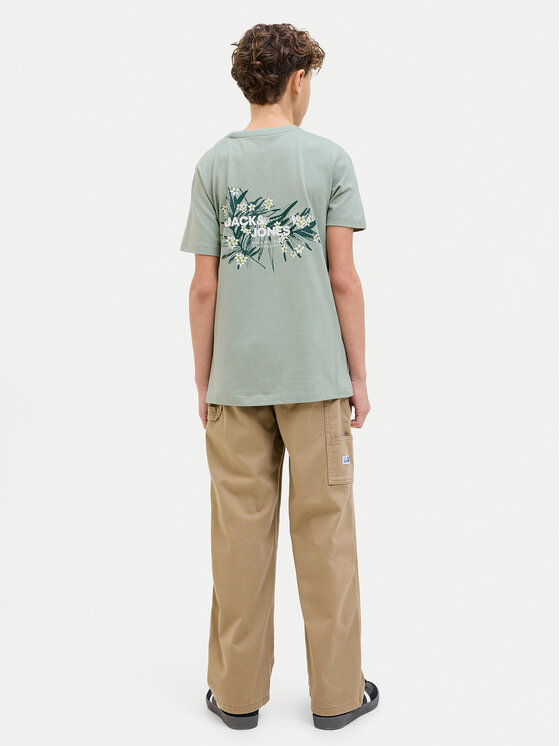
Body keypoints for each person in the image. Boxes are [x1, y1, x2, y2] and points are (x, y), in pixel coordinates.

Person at [179, 22, 379, 731]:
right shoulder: (329, 160)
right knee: (326, 538)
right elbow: (343, 278)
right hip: (316, 381)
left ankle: (236, 697)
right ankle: (337, 697)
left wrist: (203, 380)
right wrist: (359, 377)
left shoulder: (213, 166)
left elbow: (204, 288)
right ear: (298, 80)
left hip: (235, 384)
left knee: (238, 540)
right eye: (310, 80)